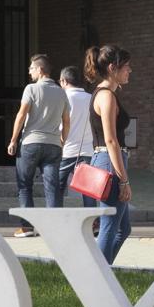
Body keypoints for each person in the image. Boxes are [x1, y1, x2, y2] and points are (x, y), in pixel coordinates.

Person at [7, 54, 70, 237]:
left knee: (25, 185)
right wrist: (62, 141)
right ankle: (54, 228)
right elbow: (66, 121)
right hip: (53, 145)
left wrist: (12, 139)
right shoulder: (61, 92)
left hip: (30, 143)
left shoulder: (31, 89)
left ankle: (27, 227)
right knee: (52, 186)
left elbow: (21, 115)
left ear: (40, 70)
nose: (29, 71)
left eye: (31, 68)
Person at [85, 44, 134, 263]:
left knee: (123, 228)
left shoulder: (104, 94)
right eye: (126, 67)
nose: (129, 71)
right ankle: (98, 278)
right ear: (113, 68)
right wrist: (123, 180)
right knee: (110, 227)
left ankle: (104, 272)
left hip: (107, 160)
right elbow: (111, 139)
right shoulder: (106, 96)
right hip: (110, 162)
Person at [58, 64, 96, 207]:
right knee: (88, 189)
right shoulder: (91, 98)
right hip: (88, 150)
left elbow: (60, 124)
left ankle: (55, 217)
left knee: (58, 187)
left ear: (64, 81)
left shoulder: (64, 98)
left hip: (66, 150)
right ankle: (93, 221)